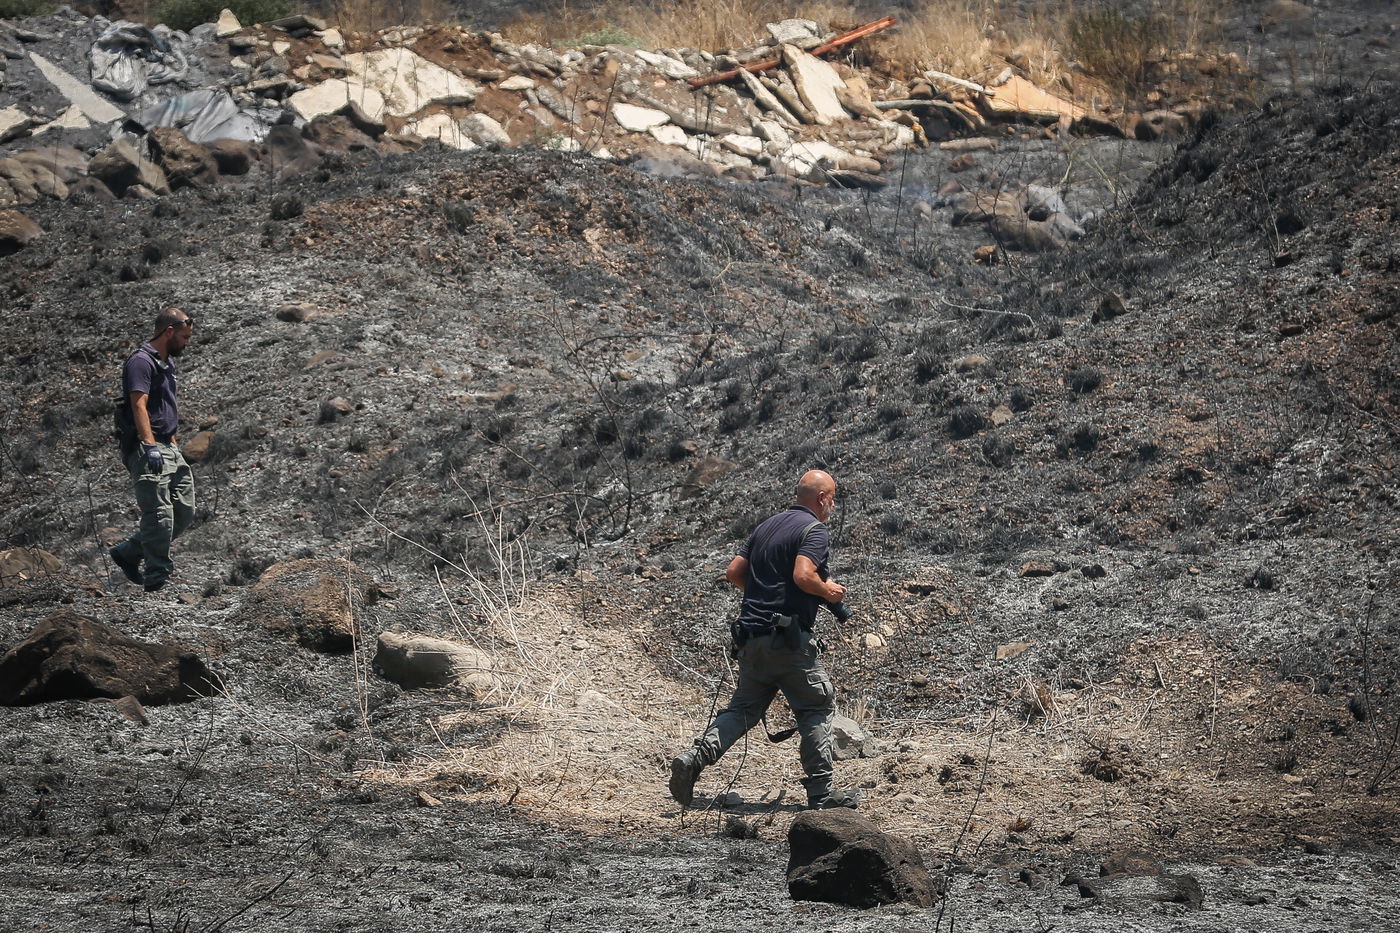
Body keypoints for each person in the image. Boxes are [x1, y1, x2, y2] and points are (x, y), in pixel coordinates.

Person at [669, 469, 860, 810]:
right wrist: (827, 591)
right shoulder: (814, 530)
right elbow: (803, 575)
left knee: (743, 709)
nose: (833, 504)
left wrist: (766, 598)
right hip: (788, 642)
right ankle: (822, 794)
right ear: (821, 499)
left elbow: (734, 573)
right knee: (815, 707)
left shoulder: (766, 527)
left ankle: (693, 759)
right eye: (832, 498)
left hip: (752, 638)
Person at [109, 308, 196, 593]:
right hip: (149, 447)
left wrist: (172, 444)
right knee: (159, 513)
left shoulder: (166, 364)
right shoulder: (141, 362)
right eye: (184, 337)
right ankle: (157, 578)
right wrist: (150, 446)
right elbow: (139, 405)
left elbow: (165, 407)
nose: (186, 343)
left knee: (183, 511)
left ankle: (129, 552)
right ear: (169, 331)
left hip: (169, 445)